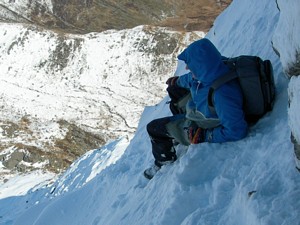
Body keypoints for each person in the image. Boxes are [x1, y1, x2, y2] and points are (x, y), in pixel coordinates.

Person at [144, 38, 248, 179]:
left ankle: (164, 160)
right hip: (201, 105)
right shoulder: (215, 67)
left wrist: (205, 135)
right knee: (175, 89)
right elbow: (192, 79)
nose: (187, 68)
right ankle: (174, 133)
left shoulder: (223, 95)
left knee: (154, 128)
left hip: (200, 124)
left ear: (200, 66)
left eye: (190, 65)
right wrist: (177, 81)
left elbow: (236, 131)